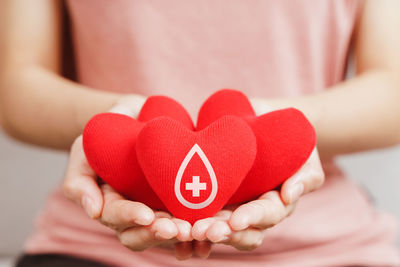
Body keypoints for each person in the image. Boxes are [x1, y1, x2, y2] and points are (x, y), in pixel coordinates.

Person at [1, 0, 399, 266]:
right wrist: (118, 120)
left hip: (329, 245)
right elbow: (15, 88)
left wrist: (279, 129)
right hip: (91, 243)